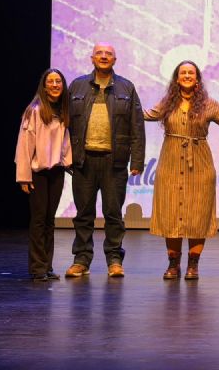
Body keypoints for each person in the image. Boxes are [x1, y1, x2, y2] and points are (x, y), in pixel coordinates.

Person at [144, 60, 219, 280]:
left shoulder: (208, 104)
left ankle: (193, 265)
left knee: (198, 214)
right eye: (183, 73)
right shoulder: (167, 103)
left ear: (197, 79)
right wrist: (122, 108)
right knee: (171, 212)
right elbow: (145, 115)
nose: (187, 75)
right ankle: (173, 264)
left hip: (200, 163)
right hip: (170, 162)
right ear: (177, 79)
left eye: (191, 73)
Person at [65, 42, 145, 278]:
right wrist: (65, 156)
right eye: (99, 53)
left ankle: (114, 260)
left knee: (113, 214)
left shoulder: (126, 87)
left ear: (114, 60)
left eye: (108, 54)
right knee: (83, 214)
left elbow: (137, 126)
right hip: (84, 160)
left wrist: (137, 161)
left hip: (114, 161)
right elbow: (64, 124)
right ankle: (81, 260)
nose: (103, 56)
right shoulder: (77, 85)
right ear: (92, 58)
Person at [15, 69, 72, 282]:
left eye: (58, 81)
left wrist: (69, 162)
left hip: (56, 172)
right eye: (51, 82)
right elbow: (24, 145)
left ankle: (47, 266)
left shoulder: (63, 110)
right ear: (44, 86)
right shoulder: (35, 111)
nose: (55, 85)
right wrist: (24, 176)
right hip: (37, 173)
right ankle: (37, 268)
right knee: (39, 220)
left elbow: (65, 142)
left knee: (49, 220)